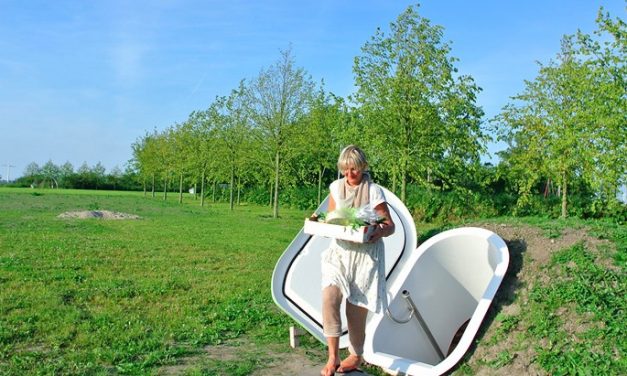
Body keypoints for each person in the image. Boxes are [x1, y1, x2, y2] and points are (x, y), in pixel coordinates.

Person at [320, 145, 395, 376]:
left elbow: (389, 225)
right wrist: (326, 226)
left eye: (354, 169)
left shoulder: (373, 191)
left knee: (356, 308)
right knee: (330, 297)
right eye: (345, 169)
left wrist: (377, 231)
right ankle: (332, 357)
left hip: (365, 255)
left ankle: (356, 354)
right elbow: (332, 219)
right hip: (340, 252)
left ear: (363, 167)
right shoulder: (336, 187)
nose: (349, 174)